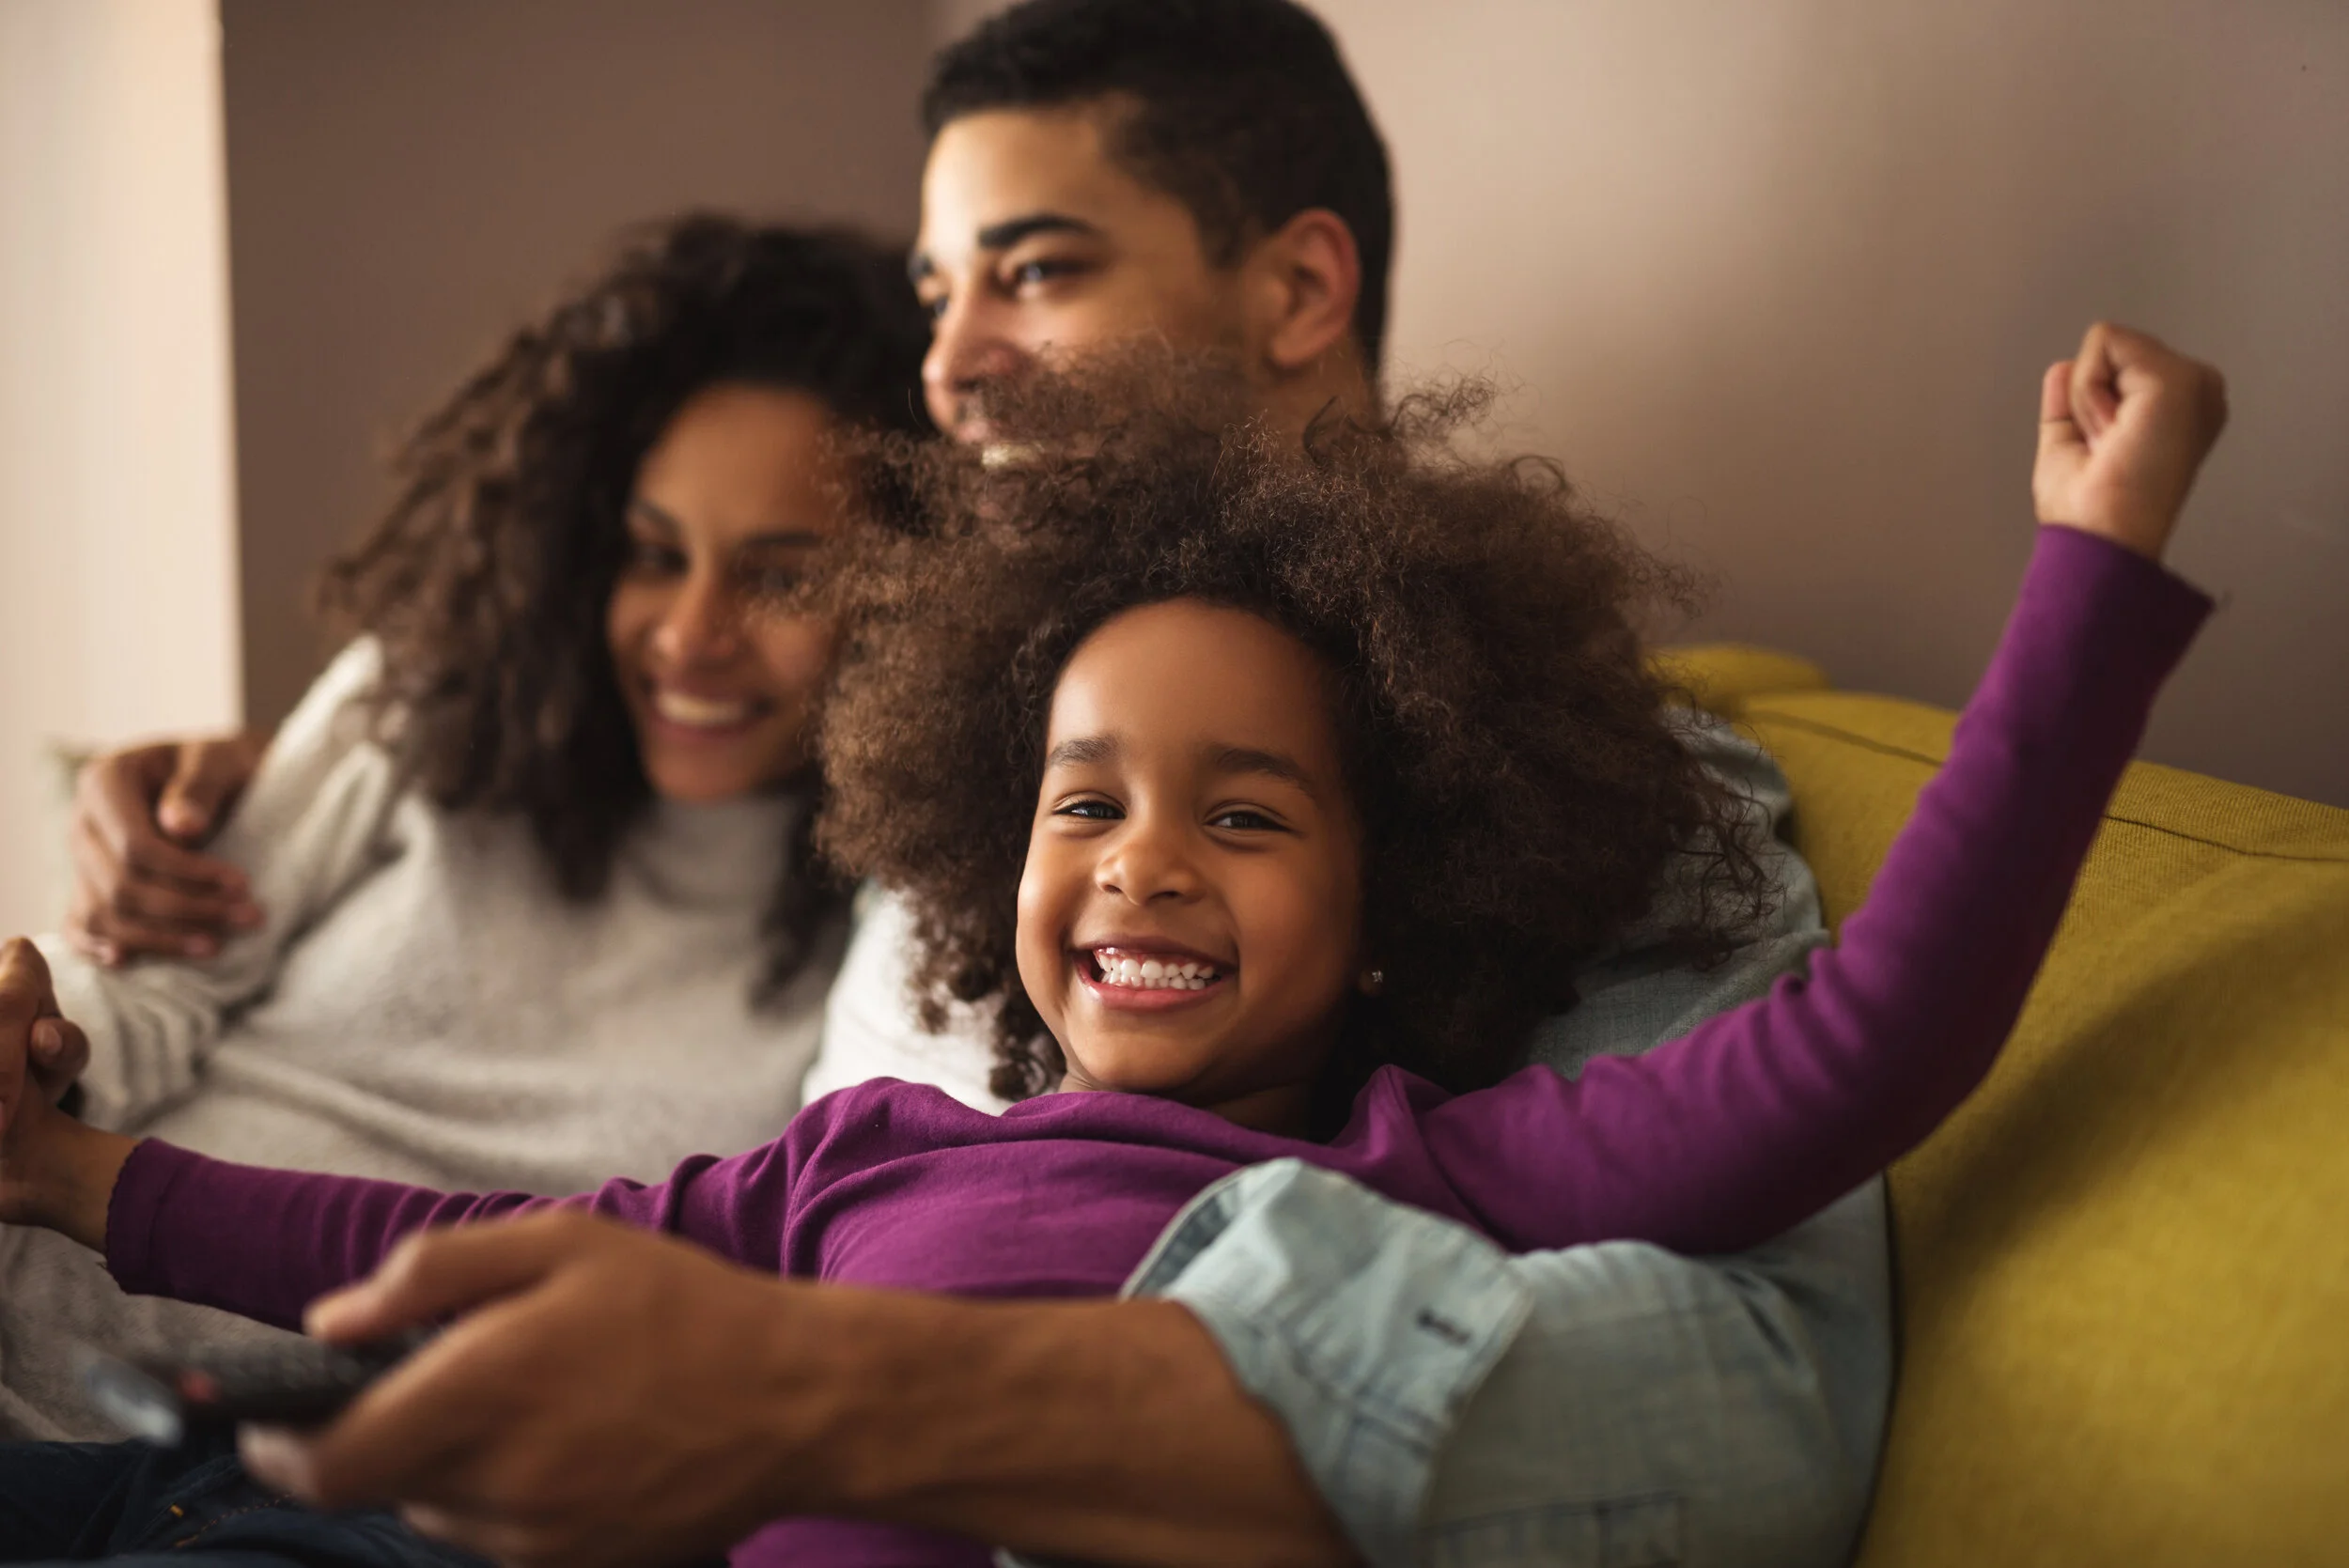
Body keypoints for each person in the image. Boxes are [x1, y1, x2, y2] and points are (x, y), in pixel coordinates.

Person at [50, 4, 1891, 1563]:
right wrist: (239, 810)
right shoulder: (961, 741)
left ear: (1298, 285)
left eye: (1035, 269)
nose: (948, 364)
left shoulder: (1557, 788)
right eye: (938, 293)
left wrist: (844, 1394)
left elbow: (1750, 1406)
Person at [0, 318, 2229, 1568]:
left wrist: (2087, 572)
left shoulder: (1426, 1176)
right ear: (993, 845)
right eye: (1083, 803)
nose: (1143, 864)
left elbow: (1863, 1043)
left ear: (1391, 911)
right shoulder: (851, 1156)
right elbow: (448, 1244)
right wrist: (63, 1172)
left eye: (1242, 817)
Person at [0, 214, 932, 1440]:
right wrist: (36, 1048)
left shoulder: (900, 938)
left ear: (915, 595)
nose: (691, 633)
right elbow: (141, 994)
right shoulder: (438, 711)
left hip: (326, 1484)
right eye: (652, 556)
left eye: (780, 578)